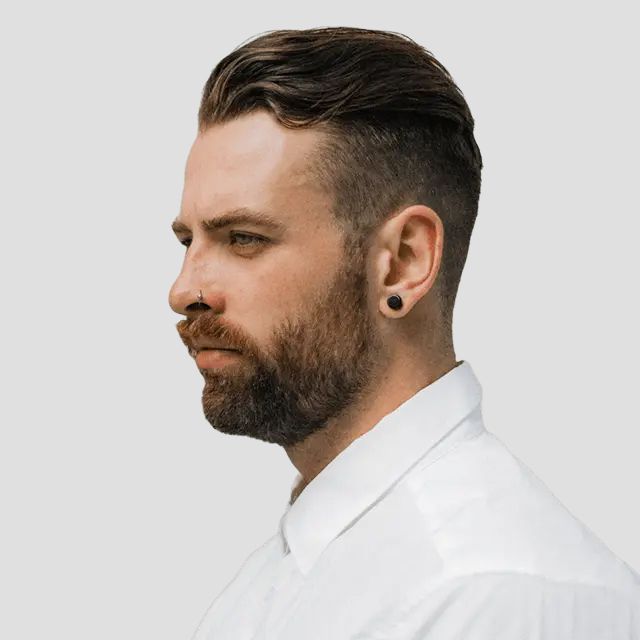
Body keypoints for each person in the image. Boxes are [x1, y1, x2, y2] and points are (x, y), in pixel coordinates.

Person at [168, 26, 640, 640]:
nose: (184, 290)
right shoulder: (290, 571)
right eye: (188, 241)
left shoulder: (490, 594)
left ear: (404, 262)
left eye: (244, 239)